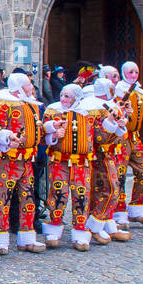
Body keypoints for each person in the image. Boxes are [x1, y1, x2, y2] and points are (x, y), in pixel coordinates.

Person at [0, 72, 46, 256]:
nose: (31, 88)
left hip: (27, 160)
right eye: (28, 85)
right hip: (6, 159)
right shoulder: (0, 102)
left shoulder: (31, 105)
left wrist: (48, 131)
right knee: (2, 198)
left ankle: (27, 237)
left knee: (28, 199)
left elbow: (37, 128)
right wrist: (4, 137)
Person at [41, 84, 99, 251]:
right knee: (58, 193)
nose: (63, 99)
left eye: (67, 96)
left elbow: (98, 136)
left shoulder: (88, 114)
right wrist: (52, 134)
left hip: (82, 163)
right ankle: (54, 225)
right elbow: (42, 135)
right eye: (62, 95)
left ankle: (80, 229)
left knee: (81, 194)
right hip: (60, 161)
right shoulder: (52, 111)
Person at [84, 78, 131, 245]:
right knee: (109, 188)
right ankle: (95, 222)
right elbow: (99, 136)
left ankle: (106, 220)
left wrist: (122, 118)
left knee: (107, 187)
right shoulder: (94, 107)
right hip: (99, 154)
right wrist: (112, 123)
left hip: (111, 152)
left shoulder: (110, 105)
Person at [112, 62, 143, 228]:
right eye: (130, 72)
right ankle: (118, 210)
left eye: (136, 71)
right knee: (119, 174)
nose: (134, 74)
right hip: (121, 137)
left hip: (135, 137)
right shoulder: (118, 90)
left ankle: (136, 207)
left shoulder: (141, 93)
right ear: (124, 73)